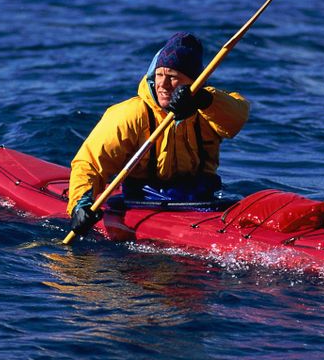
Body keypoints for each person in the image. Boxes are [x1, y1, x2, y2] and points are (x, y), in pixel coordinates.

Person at [68, 32, 249, 238]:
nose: (162, 84)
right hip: (141, 203)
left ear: (192, 82)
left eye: (172, 77)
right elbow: (89, 163)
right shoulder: (131, 113)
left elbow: (238, 116)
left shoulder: (208, 108)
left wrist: (204, 100)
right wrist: (79, 204)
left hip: (201, 202)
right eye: (159, 75)